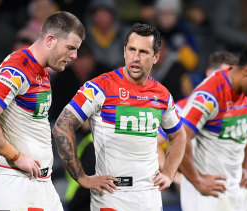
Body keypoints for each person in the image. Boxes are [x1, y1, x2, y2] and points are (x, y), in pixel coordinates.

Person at [52, 23, 186, 210]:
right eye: (131, 49)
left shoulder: (162, 94)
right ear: (124, 51)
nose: (136, 57)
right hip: (112, 195)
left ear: (156, 57)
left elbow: (179, 135)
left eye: (144, 52)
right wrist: (82, 177)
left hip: (149, 196)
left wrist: (170, 174)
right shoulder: (99, 87)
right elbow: (62, 126)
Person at [0, 11, 85, 210]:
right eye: (70, 48)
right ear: (50, 40)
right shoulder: (18, 68)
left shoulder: (40, 69)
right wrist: (16, 156)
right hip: (19, 184)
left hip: (41, 184)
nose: (74, 56)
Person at [178, 42, 247, 211]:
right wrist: (197, 180)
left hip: (237, 193)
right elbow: (179, 138)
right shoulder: (209, 94)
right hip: (207, 195)